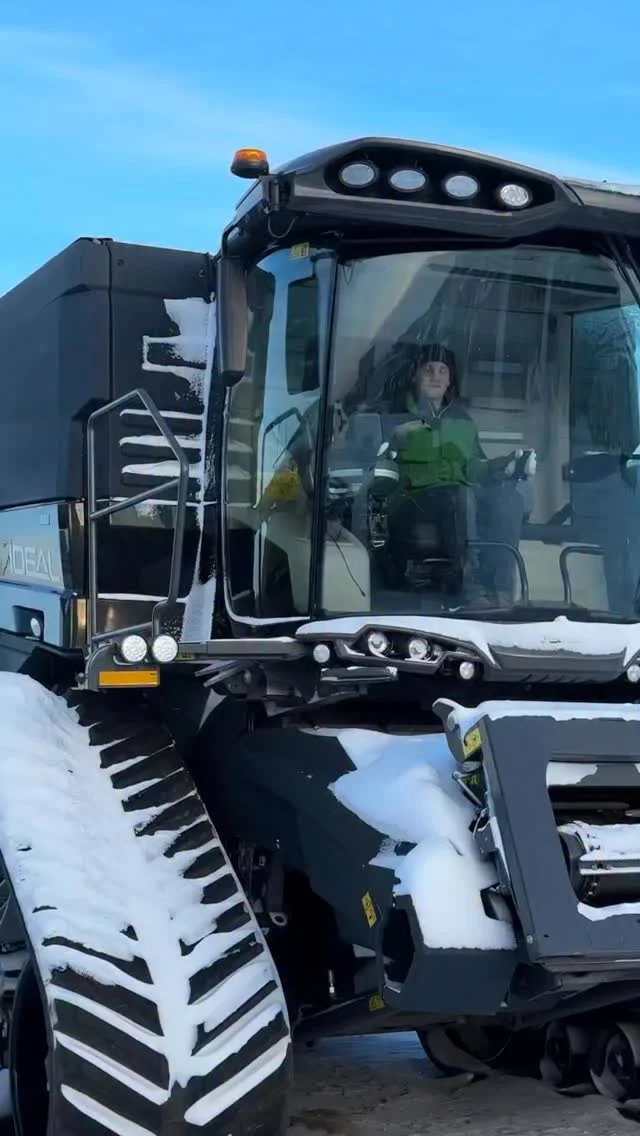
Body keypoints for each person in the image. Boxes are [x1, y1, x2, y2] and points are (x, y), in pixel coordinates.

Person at [381, 344, 531, 602]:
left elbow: (474, 467)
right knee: (458, 495)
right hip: (411, 499)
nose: (436, 376)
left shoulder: (462, 421)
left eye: (442, 371)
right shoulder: (395, 417)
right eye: (429, 370)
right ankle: (468, 583)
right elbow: (382, 469)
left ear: (450, 379)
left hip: (458, 496)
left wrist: (503, 466)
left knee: (510, 500)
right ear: (415, 375)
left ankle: (501, 590)